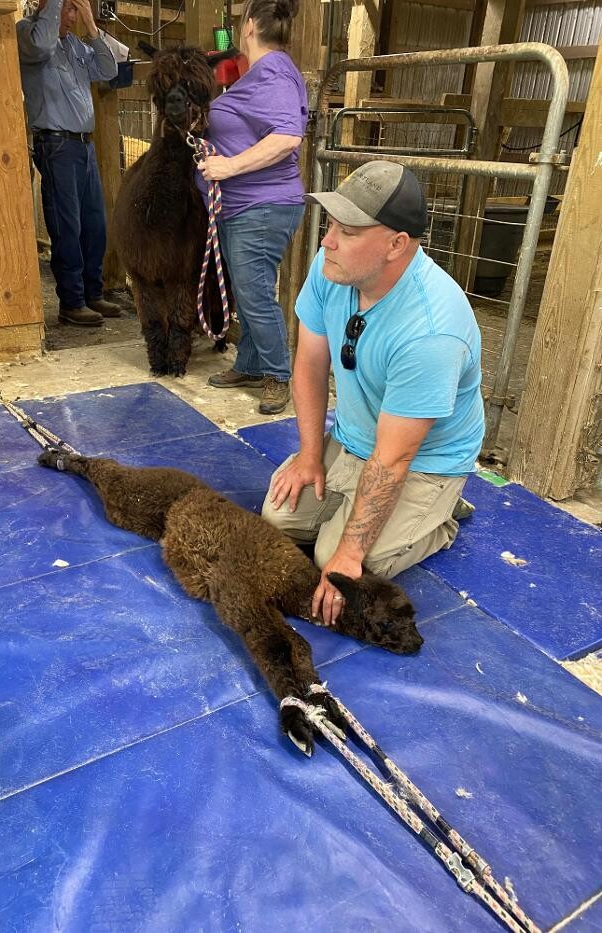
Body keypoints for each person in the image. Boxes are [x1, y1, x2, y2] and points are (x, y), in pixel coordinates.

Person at [261, 160, 485, 626]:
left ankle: (440, 514)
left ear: (396, 244)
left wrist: (348, 552)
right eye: (330, 224)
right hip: (354, 437)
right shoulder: (332, 269)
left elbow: (395, 458)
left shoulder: (431, 331)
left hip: (422, 460)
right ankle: (382, 511)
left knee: (341, 563)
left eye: (348, 230)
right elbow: (309, 361)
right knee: (278, 520)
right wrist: (308, 455)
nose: (327, 241)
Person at [198, 0, 307, 415]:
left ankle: (278, 375)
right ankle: (251, 363)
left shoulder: (274, 71)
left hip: (262, 205)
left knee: (256, 294)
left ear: (247, 28)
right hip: (242, 206)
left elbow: (286, 138)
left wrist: (229, 166)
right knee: (247, 291)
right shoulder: (260, 73)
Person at [17, 0, 121, 327]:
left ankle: (92, 292)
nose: (71, 15)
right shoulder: (28, 34)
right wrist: (53, 7)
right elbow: (42, 44)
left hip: (83, 146)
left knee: (95, 224)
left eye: (75, 8)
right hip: (56, 143)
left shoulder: (75, 43)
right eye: (67, 7)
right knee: (67, 226)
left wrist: (91, 27)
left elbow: (108, 70)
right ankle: (71, 301)